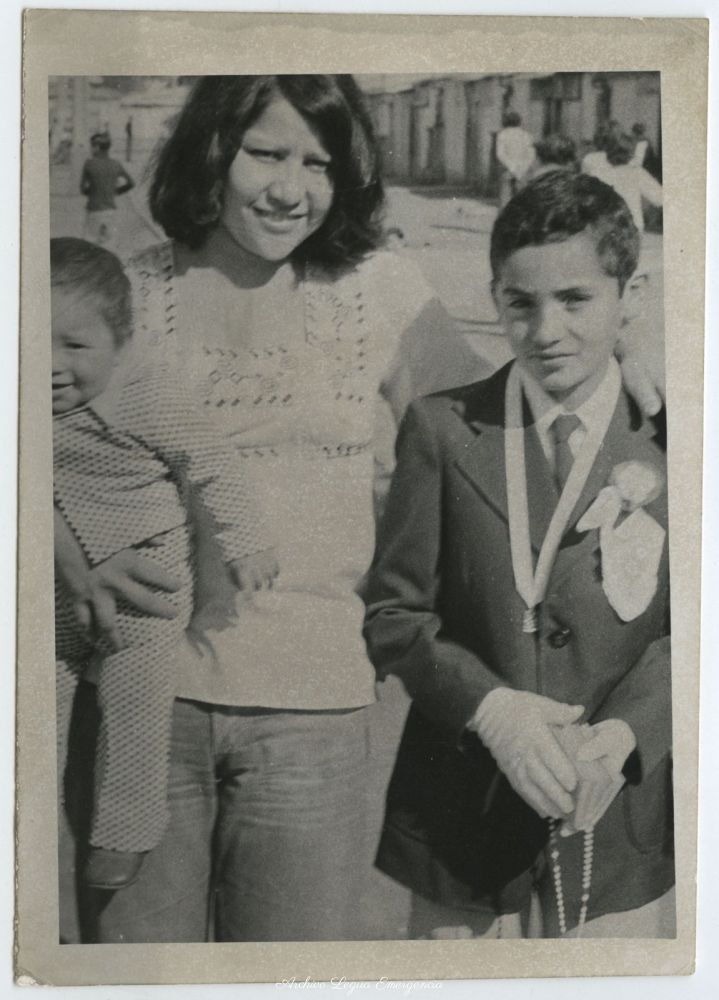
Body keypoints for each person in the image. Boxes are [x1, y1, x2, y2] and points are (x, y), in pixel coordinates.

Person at [55, 76, 664, 946]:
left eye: (318, 163)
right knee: (134, 978)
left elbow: (503, 415)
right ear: (212, 150)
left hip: (316, 714)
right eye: (265, 154)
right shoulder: (127, 291)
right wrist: (67, 556)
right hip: (139, 702)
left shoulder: (382, 291)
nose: (290, 188)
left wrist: (624, 353)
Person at [364, 171, 674, 940]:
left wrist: (622, 735)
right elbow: (394, 615)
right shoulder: (441, 429)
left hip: (614, 827)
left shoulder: (675, 439)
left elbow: (697, 627)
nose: (545, 330)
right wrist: (490, 709)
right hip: (459, 831)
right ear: (494, 297)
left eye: (574, 300)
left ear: (628, 297)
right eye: (520, 303)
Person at [52, 237, 277, 893]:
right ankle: (25, 825)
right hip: (53, 590)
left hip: (147, 589)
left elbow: (212, 464)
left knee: (136, 713)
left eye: (76, 345)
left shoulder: (147, 396)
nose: (52, 366)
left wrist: (245, 542)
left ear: (120, 341)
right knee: (33, 711)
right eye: (31, 341)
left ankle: (125, 833)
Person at [80, 132, 135, 251]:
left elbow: (83, 189)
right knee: (109, 247)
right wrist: (115, 191)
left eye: (92, 146)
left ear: (98, 147)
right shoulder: (116, 164)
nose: (91, 149)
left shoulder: (89, 164)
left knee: (89, 246)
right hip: (110, 210)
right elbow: (131, 183)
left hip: (94, 210)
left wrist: (94, 190)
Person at [600, 133, 663, 233]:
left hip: (606, 229)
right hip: (632, 228)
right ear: (630, 155)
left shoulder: (601, 174)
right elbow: (660, 198)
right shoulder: (636, 172)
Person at [496, 111, 535, 207]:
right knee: (522, 198)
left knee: (505, 198)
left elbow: (500, 154)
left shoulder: (503, 134)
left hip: (507, 169)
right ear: (519, 121)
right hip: (523, 170)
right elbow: (531, 154)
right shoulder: (526, 135)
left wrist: (512, 168)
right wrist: (523, 168)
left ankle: (505, 214)